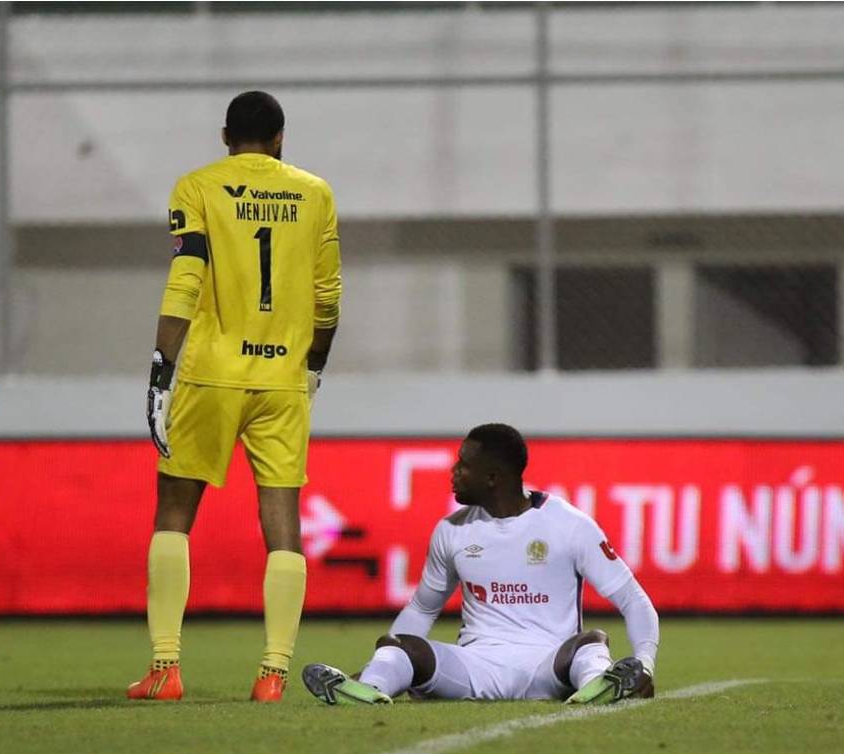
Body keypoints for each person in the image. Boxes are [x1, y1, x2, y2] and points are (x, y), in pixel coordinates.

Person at [130, 90, 343, 702]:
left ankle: (166, 670)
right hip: (283, 378)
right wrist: (316, 363)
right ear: (280, 138)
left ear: (226, 136)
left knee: (174, 513)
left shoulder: (197, 186)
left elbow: (187, 274)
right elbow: (328, 293)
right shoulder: (316, 192)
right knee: (283, 524)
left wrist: (160, 365)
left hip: (210, 374)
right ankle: (273, 675)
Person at [303, 423, 659, 706]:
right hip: (474, 667)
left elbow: (633, 599)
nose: (453, 471)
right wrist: (381, 658)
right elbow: (422, 610)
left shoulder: (570, 525)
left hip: (550, 667)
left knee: (591, 642)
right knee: (399, 644)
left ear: (493, 478)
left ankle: (599, 685)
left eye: (464, 465)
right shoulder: (451, 530)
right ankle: (368, 690)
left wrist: (644, 662)